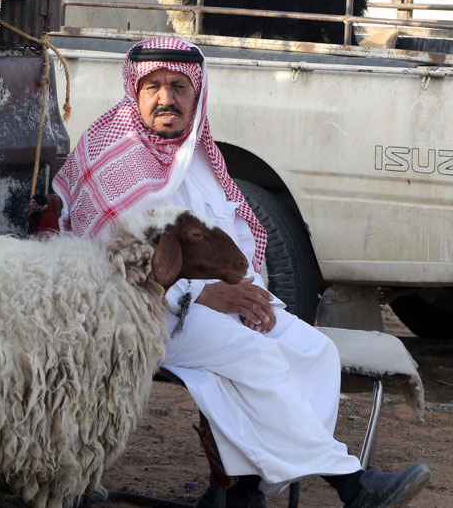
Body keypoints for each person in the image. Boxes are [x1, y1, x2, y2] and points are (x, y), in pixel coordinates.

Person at [50, 35, 431, 508]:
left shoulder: (201, 156)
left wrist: (252, 294)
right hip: (143, 315)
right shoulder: (113, 156)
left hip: (213, 304)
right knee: (258, 360)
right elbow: (113, 263)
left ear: (197, 94)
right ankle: (352, 484)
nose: (165, 98)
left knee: (313, 351)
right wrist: (201, 297)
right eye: (152, 86)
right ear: (135, 91)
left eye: (178, 87)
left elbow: (236, 237)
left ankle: (241, 489)